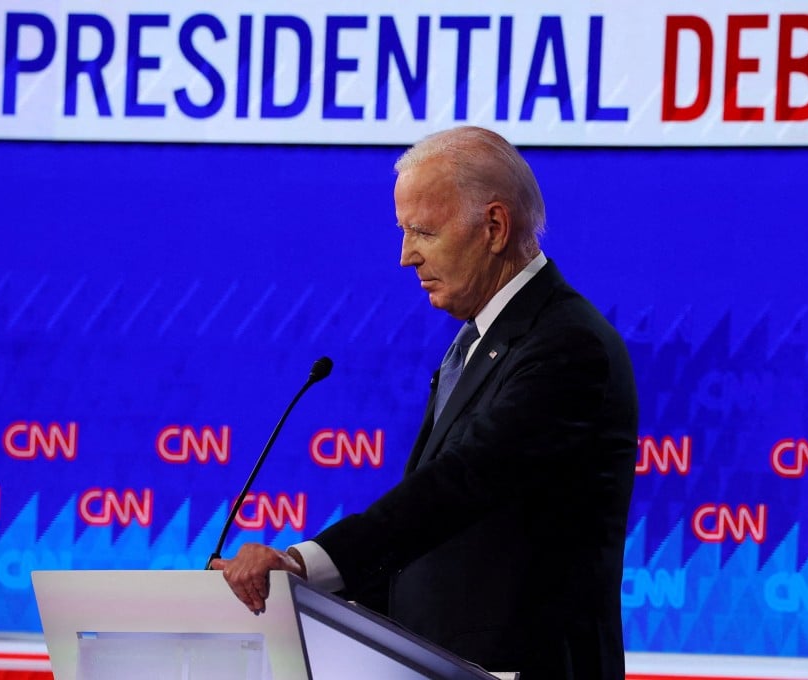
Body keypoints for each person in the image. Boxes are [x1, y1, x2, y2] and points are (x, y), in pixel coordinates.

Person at [211, 126, 638, 679]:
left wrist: (304, 565)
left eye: (422, 231)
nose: (405, 256)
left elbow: (461, 484)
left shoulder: (565, 345)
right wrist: (321, 609)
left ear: (494, 227)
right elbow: (432, 542)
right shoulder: (481, 341)